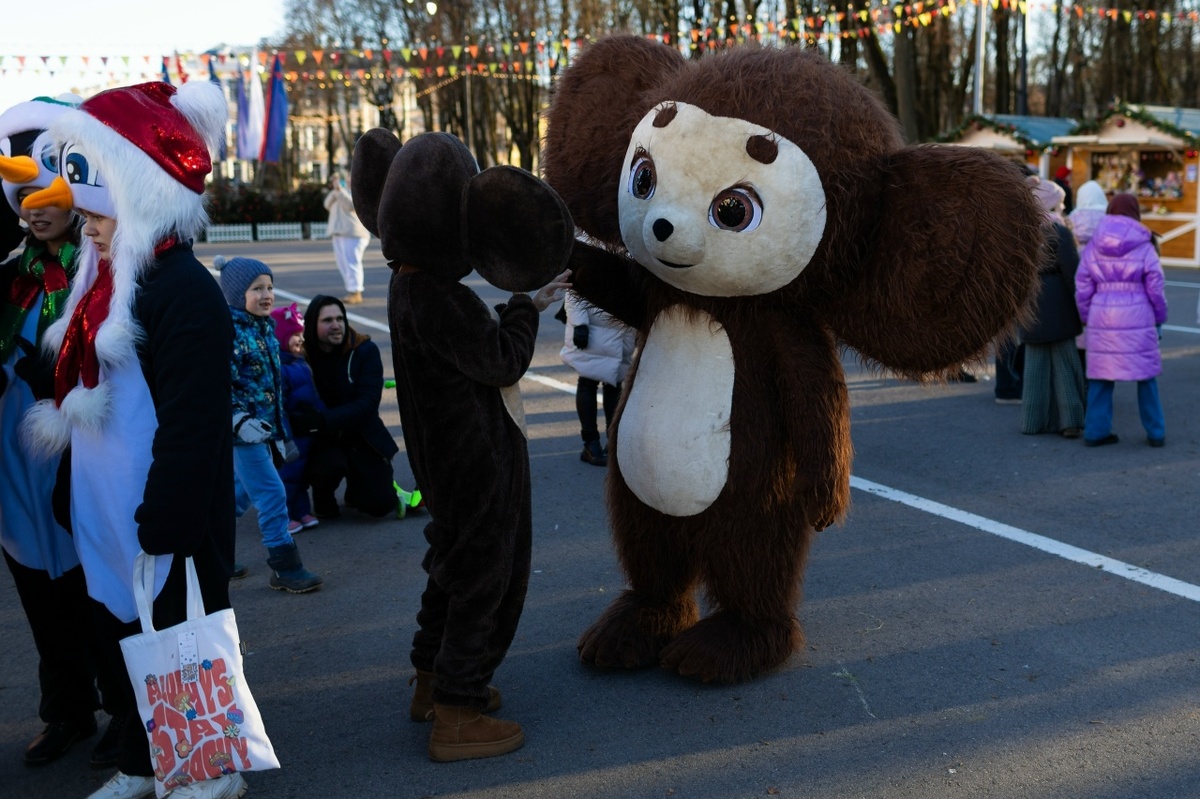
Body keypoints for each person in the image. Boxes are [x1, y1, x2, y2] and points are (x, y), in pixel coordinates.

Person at [19, 81, 250, 799]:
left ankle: (212, 765)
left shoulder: (181, 289)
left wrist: (169, 514)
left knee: (182, 637)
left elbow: (194, 419)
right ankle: (152, 759)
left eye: (98, 212)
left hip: (160, 516)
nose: (86, 227)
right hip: (109, 513)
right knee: (126, 641)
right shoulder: (104, 289)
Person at [0, 94, 126, 770]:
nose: (36, 204)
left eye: (48, 188)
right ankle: (68, 711)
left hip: (82, 461)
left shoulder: (102, 269)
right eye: (23, 192)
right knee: (42, 602)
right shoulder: (9, 278)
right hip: (15, 468)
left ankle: (125, 706)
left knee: (96, 594)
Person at [217, 256, 323, 594]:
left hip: (264, 429)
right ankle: (286, 568)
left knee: (235, 498)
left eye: (270, 287)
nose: (267, 294)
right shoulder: (232, 334)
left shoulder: (263, 328)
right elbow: (221, 388)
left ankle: (212, 555)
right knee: (272, 495)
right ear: (236, 295)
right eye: (256, 288)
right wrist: (240, 422)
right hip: (244, 434)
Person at [294, 295, 402, 518]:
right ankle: (323, 495)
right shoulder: (300, 356)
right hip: (322, 438)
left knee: (380, 504)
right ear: (312, 324)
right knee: (328, 465)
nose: (336, 325)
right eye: (327, 320)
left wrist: (324, 420)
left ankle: (357, 487)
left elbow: (368, 403)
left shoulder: (364, 350)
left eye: (340, 318)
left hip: (360, 434)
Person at [1075, 192, 1168, 448]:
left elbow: (1082, 286)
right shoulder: (1145, 242)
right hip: (1139, 314)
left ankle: (1095, 432)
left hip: (1101, 315)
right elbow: (1156, 286)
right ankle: (1156, 433)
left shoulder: (1094, 243)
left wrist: (1086, 318)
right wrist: (1159, 317)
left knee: (1101, 377)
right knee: (1146, 377)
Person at [1019, 176, 1086, 438]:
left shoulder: (1018, 232)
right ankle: (1070, 421)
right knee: (1066, 365)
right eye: (1057, 204)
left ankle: (1032, 422)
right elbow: (1072, 273)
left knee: (1034, 368)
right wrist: (1080, 307)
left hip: (1030, 302)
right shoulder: (1059, 232)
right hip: (1058, 301)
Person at [559, 290, 634, 466]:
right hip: (592, 328)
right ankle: (591, 444)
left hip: (622, 330)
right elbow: (575, 289)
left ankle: (613, 442)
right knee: (588, 382)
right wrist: (580, 324)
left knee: (614, 386)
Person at [270, 302, 323, 531]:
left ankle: (301, 511)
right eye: (294, 335)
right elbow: (278, 407)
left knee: (300, 476)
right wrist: (285, 436)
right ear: (280, 338)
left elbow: (313, 394)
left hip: (306, 431)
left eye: (301, 334)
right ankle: (285, 515)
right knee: (287, 477)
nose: (300, 339)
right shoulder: (280, 368)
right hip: (291, 433)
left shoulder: (300, 362)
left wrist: (322, 416)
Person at [1068, 179, 1109, 373]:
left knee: (1079, 333)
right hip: (1104, 285)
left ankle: (1078, 382)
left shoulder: (1070, 220)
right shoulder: (1110, 220)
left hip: (1077, 281)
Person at [323, 173, 371, 305]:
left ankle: (356, 292)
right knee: (343, 263)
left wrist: (340, 191)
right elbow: (326, 204)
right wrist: (335, 190)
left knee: (352, 262)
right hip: (339, 233)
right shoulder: (338, 192)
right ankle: (352, 290)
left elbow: (350, 205)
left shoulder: (358, 193)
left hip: (353, 234)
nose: (348, 181)